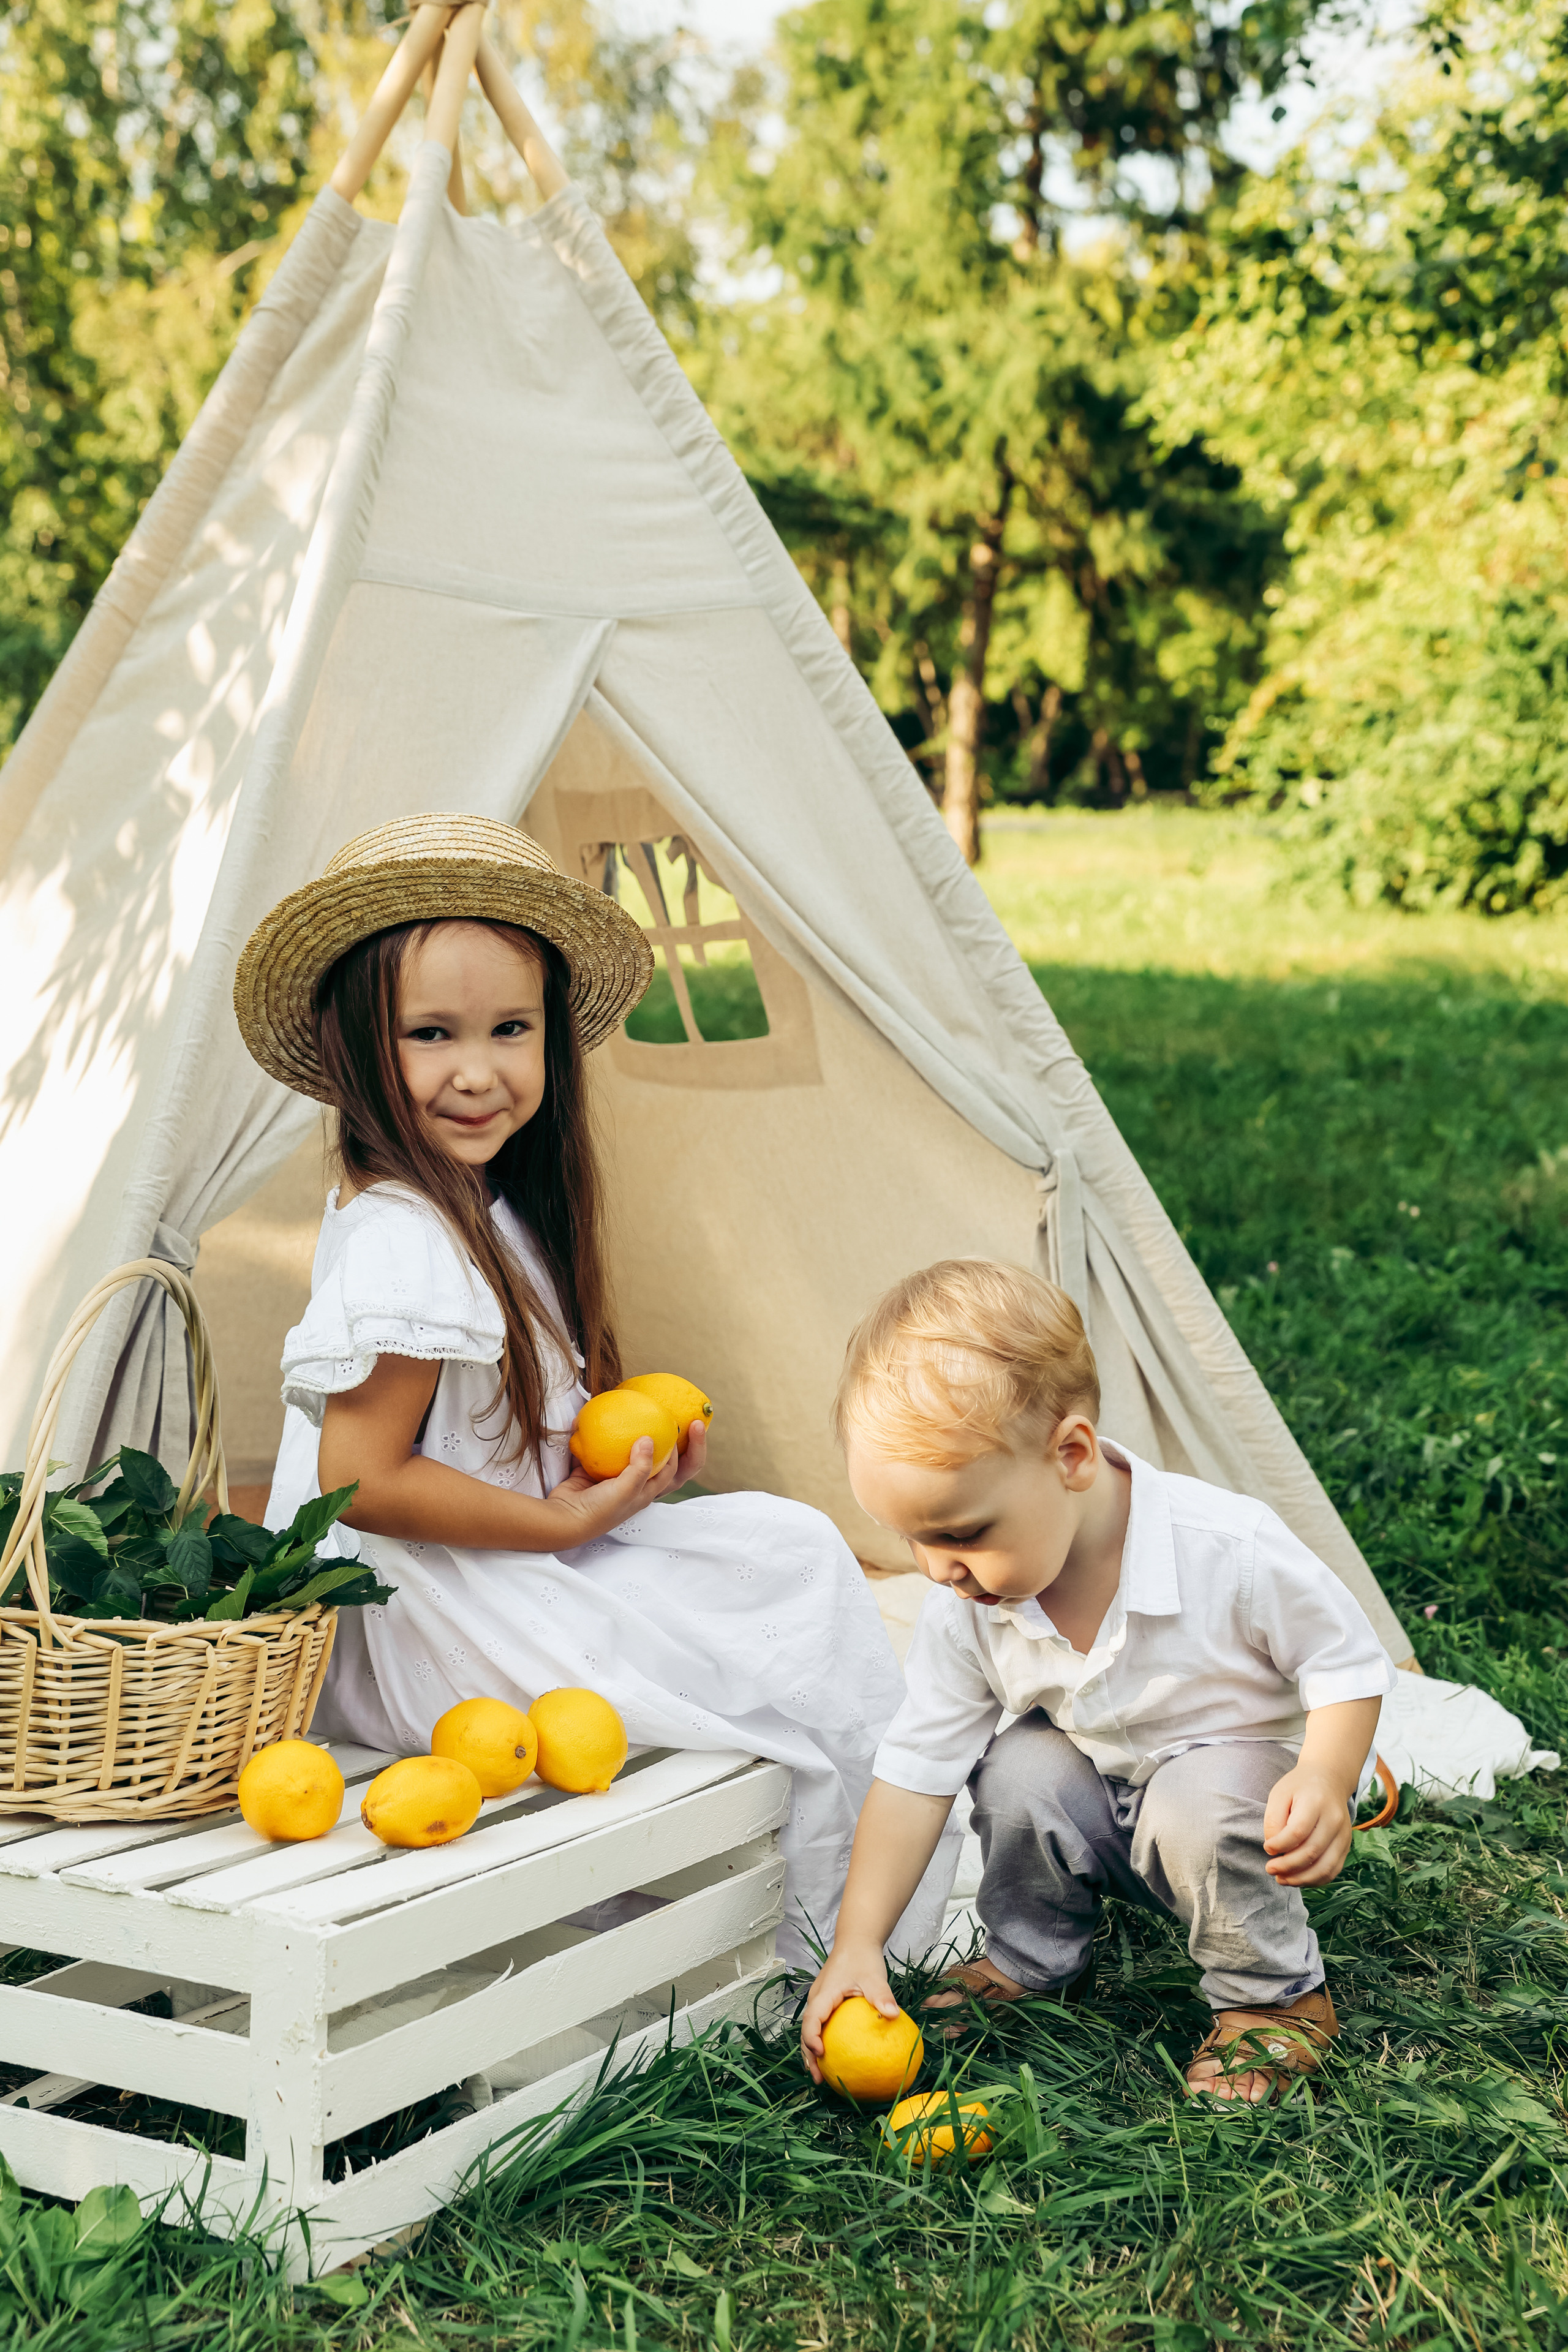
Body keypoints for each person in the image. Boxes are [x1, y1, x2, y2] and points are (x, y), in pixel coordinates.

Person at [233, 812, 951, 1967]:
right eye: (430, 1034)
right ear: (361, 1048)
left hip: (501, 1555)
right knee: (786, 1605)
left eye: (511, 1029)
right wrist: (567, 1516)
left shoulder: (478, 1204)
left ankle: (855, 1912)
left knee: (788, 1550)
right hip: (435, 1611)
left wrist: (608, 1465)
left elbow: (476, 1434)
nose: (479, 1072)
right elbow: (359, 1482)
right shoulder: (401, 1239)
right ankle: (839, 1934)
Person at [799, 1257, 1396, 2102]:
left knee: (1197, 1798)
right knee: (1017, 1769)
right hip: (1105, 1810)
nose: (938, 1569)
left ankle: (1274, 2002)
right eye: (910, 1540)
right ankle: (1032, 1961)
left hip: (1230, 1816)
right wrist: (856, 1944)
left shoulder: (1225, 1547)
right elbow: (915, 1774)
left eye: (963, 1533)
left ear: (1072, 1455)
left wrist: (1327, 1776)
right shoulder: (967, 1605)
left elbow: (1345, 1661)